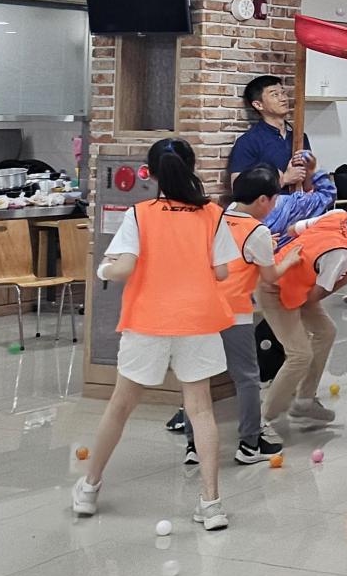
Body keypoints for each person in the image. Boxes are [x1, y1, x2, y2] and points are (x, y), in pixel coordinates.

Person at [74, 139, 238, 530]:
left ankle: (89, 488)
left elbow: (123, 266)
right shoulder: (212, 214)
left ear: (150, 172)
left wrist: (103, 269)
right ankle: (211, 504)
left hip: (148, 321)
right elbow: (221, 272)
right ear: (192, 167)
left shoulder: (141, 213)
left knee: (120, 405)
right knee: (201, 410)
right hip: (198, 321)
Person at [177, 163, 297, 466]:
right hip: (233, 314)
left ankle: (194, 446)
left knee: (197, 380)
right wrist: (290, 259)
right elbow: (269, 277)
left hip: (199, 310)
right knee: (246, 378)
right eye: (274, 200)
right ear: (262, 200)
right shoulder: (257, 231)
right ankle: (249, 445)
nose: (274, 206)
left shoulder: (214, 217)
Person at [261, 194, 347, 435]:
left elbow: (292, 229)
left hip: (292, 281)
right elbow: (315, 296)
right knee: (300, 355)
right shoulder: (342, 253)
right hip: (276, 289)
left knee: (326, 332)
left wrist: (306, 258)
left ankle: (304, 401)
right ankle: (264, 418)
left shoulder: (337, 215)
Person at [227, 74, 312, 181]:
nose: (283, 99)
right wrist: (284, 180)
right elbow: (237, 186)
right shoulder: (248, 141)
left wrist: (311, 170)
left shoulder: (300, 137)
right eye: (275, 95)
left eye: (283, 93)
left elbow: (309, 184)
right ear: (258, 105)